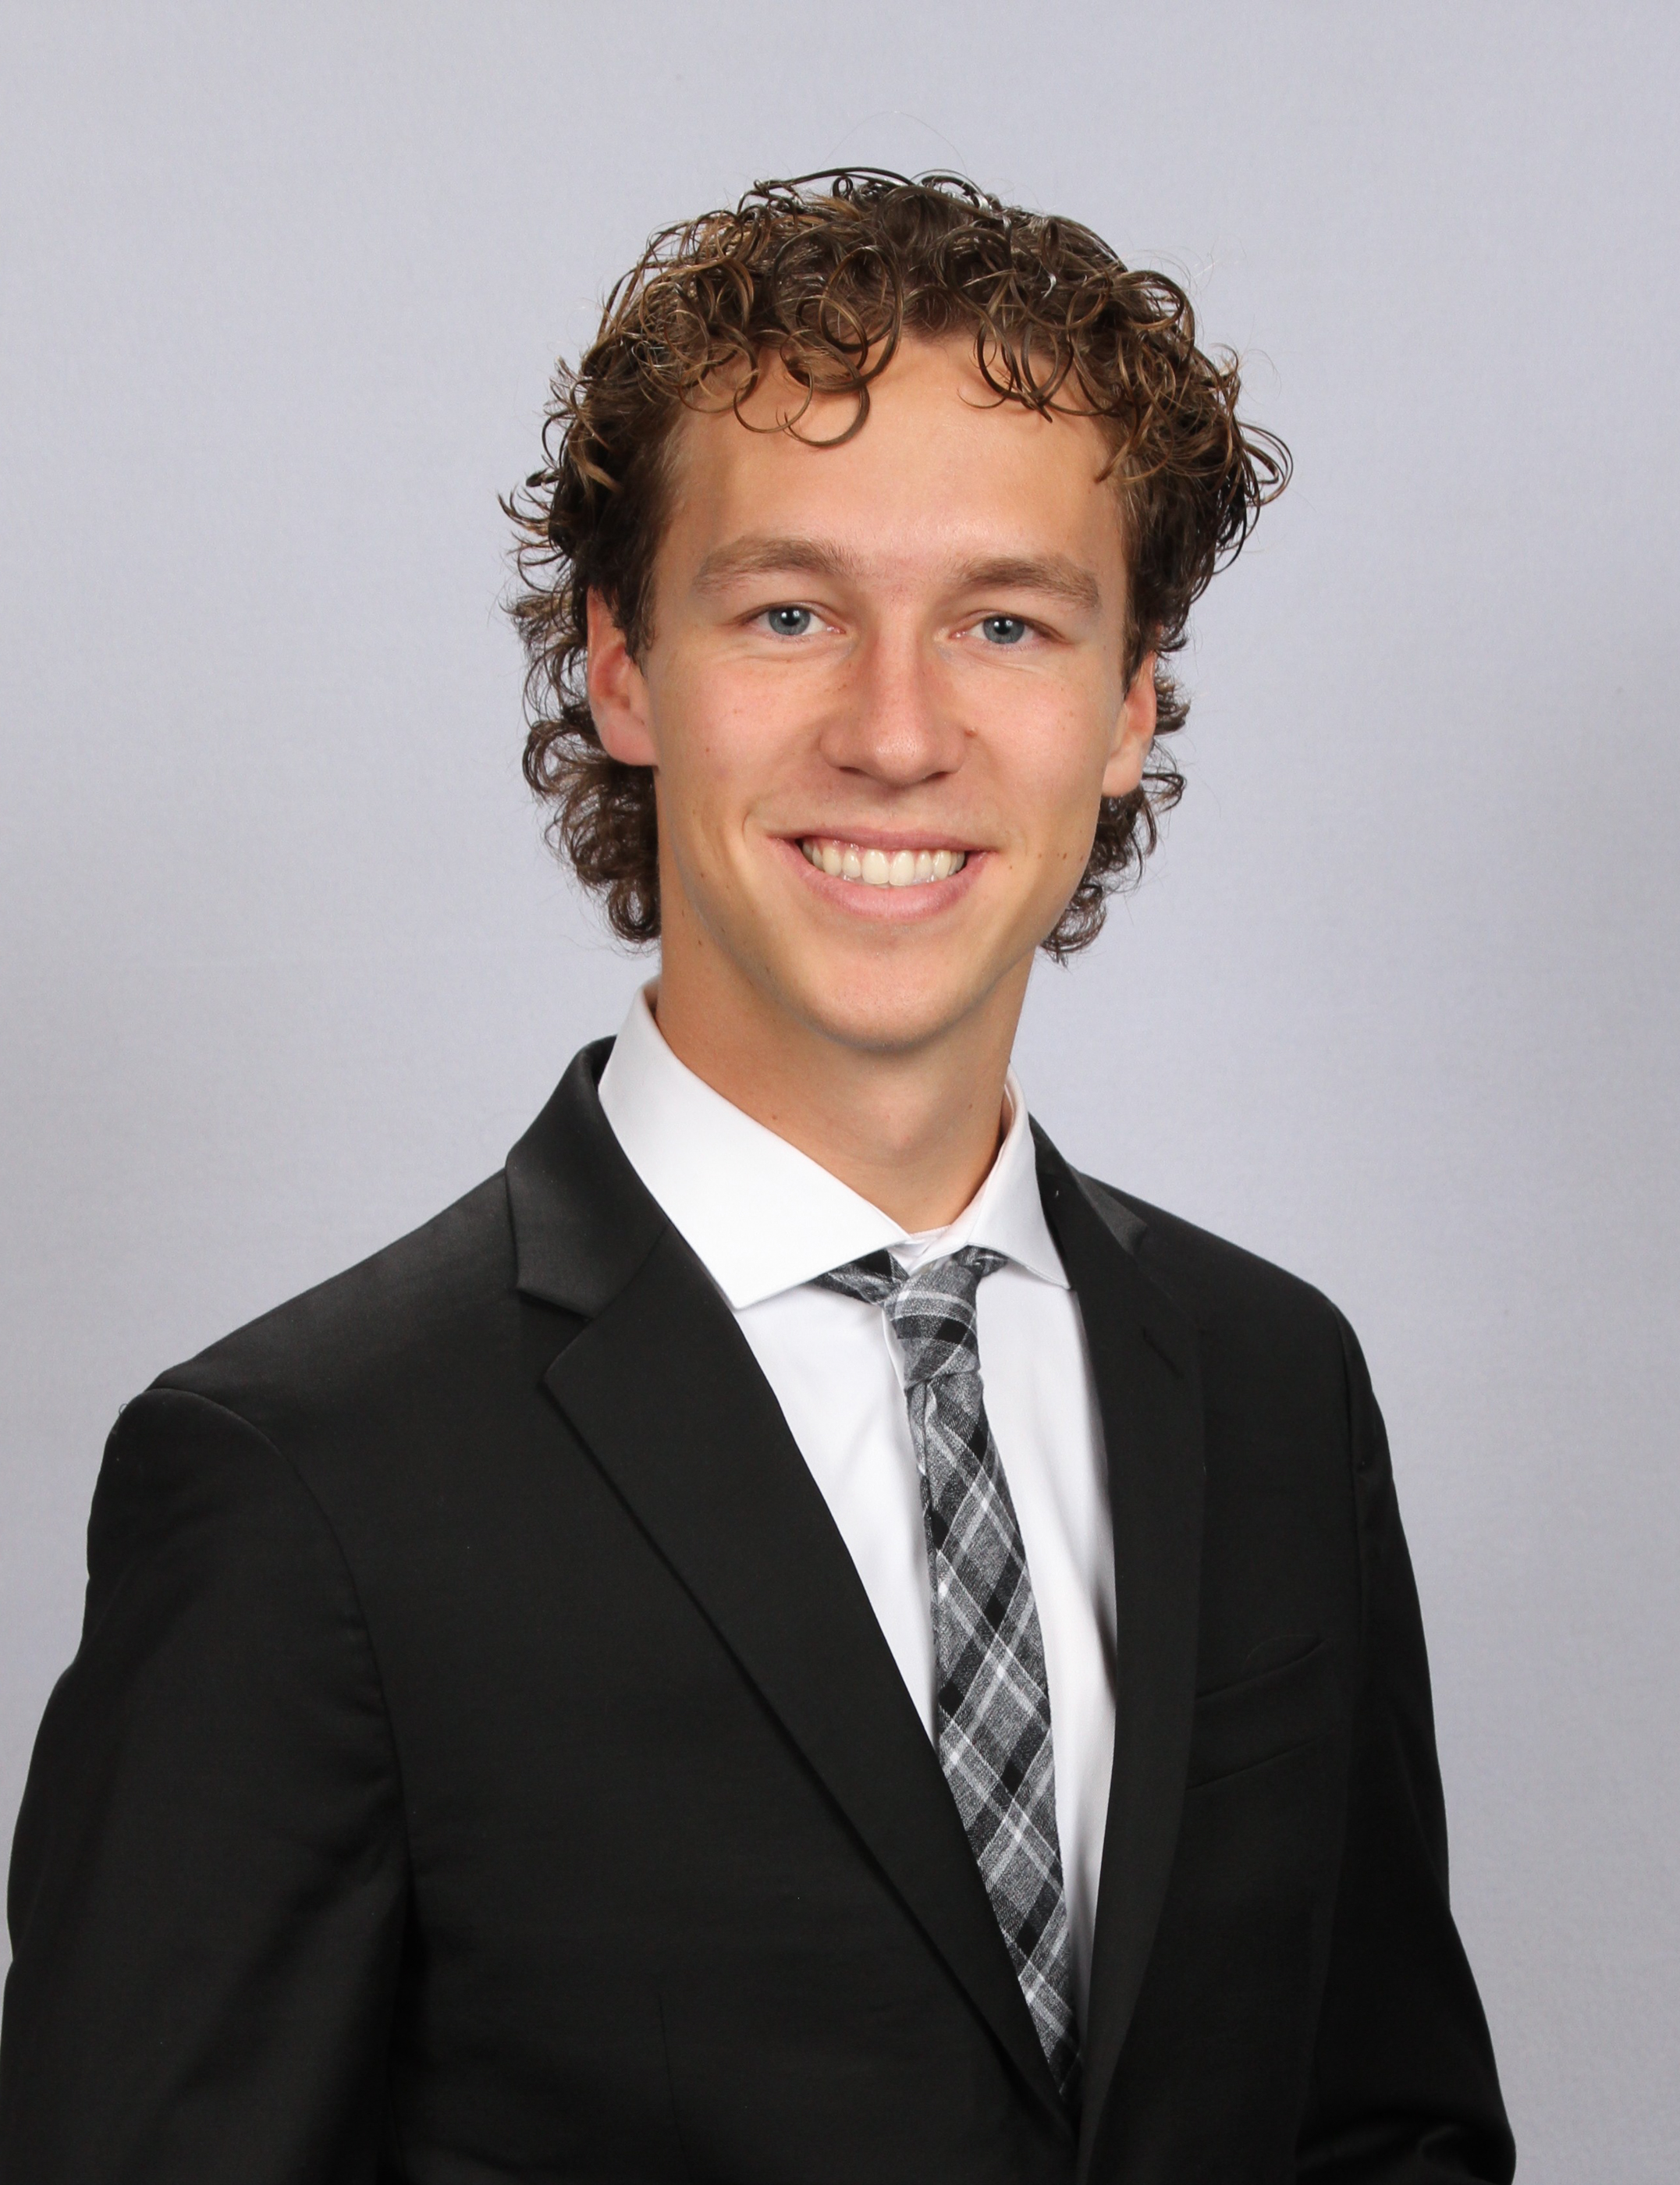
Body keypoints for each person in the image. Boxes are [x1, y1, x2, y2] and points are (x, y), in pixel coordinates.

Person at [0, 172, 1514, 2183]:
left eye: (1005, 622)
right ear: (623, 668)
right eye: (790, 612)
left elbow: (1384, 2131)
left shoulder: (1271, 1383)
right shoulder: (301, 1485)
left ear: (1129, 704)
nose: (897, 733)